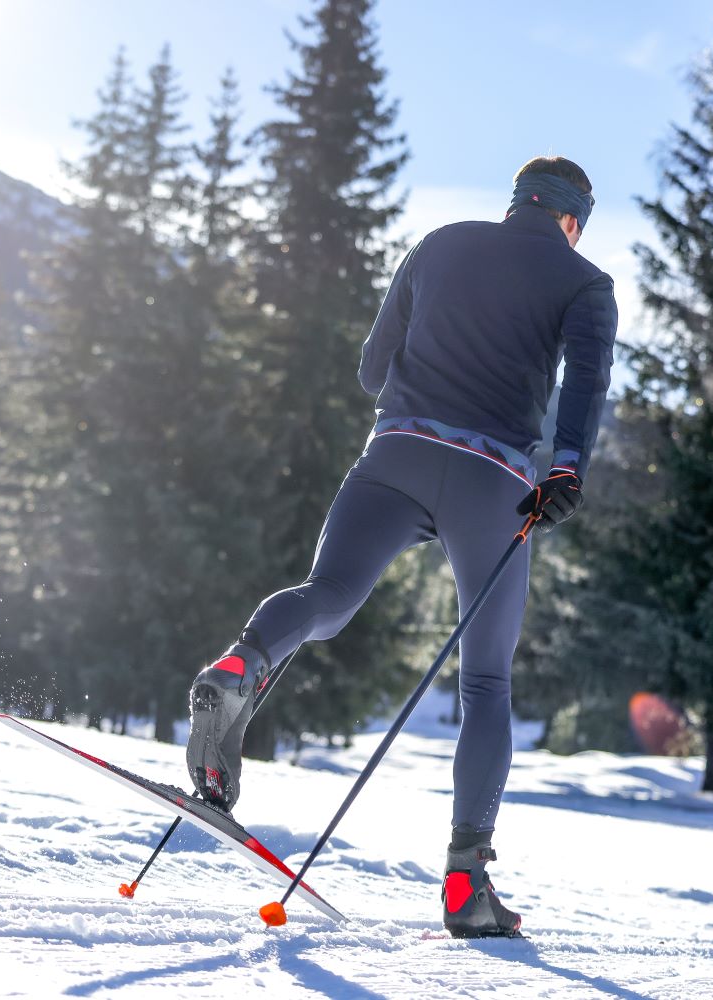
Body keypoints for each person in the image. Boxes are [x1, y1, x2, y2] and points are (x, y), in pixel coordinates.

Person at [186, 155, 617, 938]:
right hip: (496, 485)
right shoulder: (586, 284)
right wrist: (566, 472)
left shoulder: (440, 242)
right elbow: (585, 382)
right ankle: (465, 884)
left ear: (516, 201)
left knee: (327, 597)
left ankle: (238, 667)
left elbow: (370, 370)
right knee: (486, 682)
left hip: (393, 456)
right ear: (571, 219)